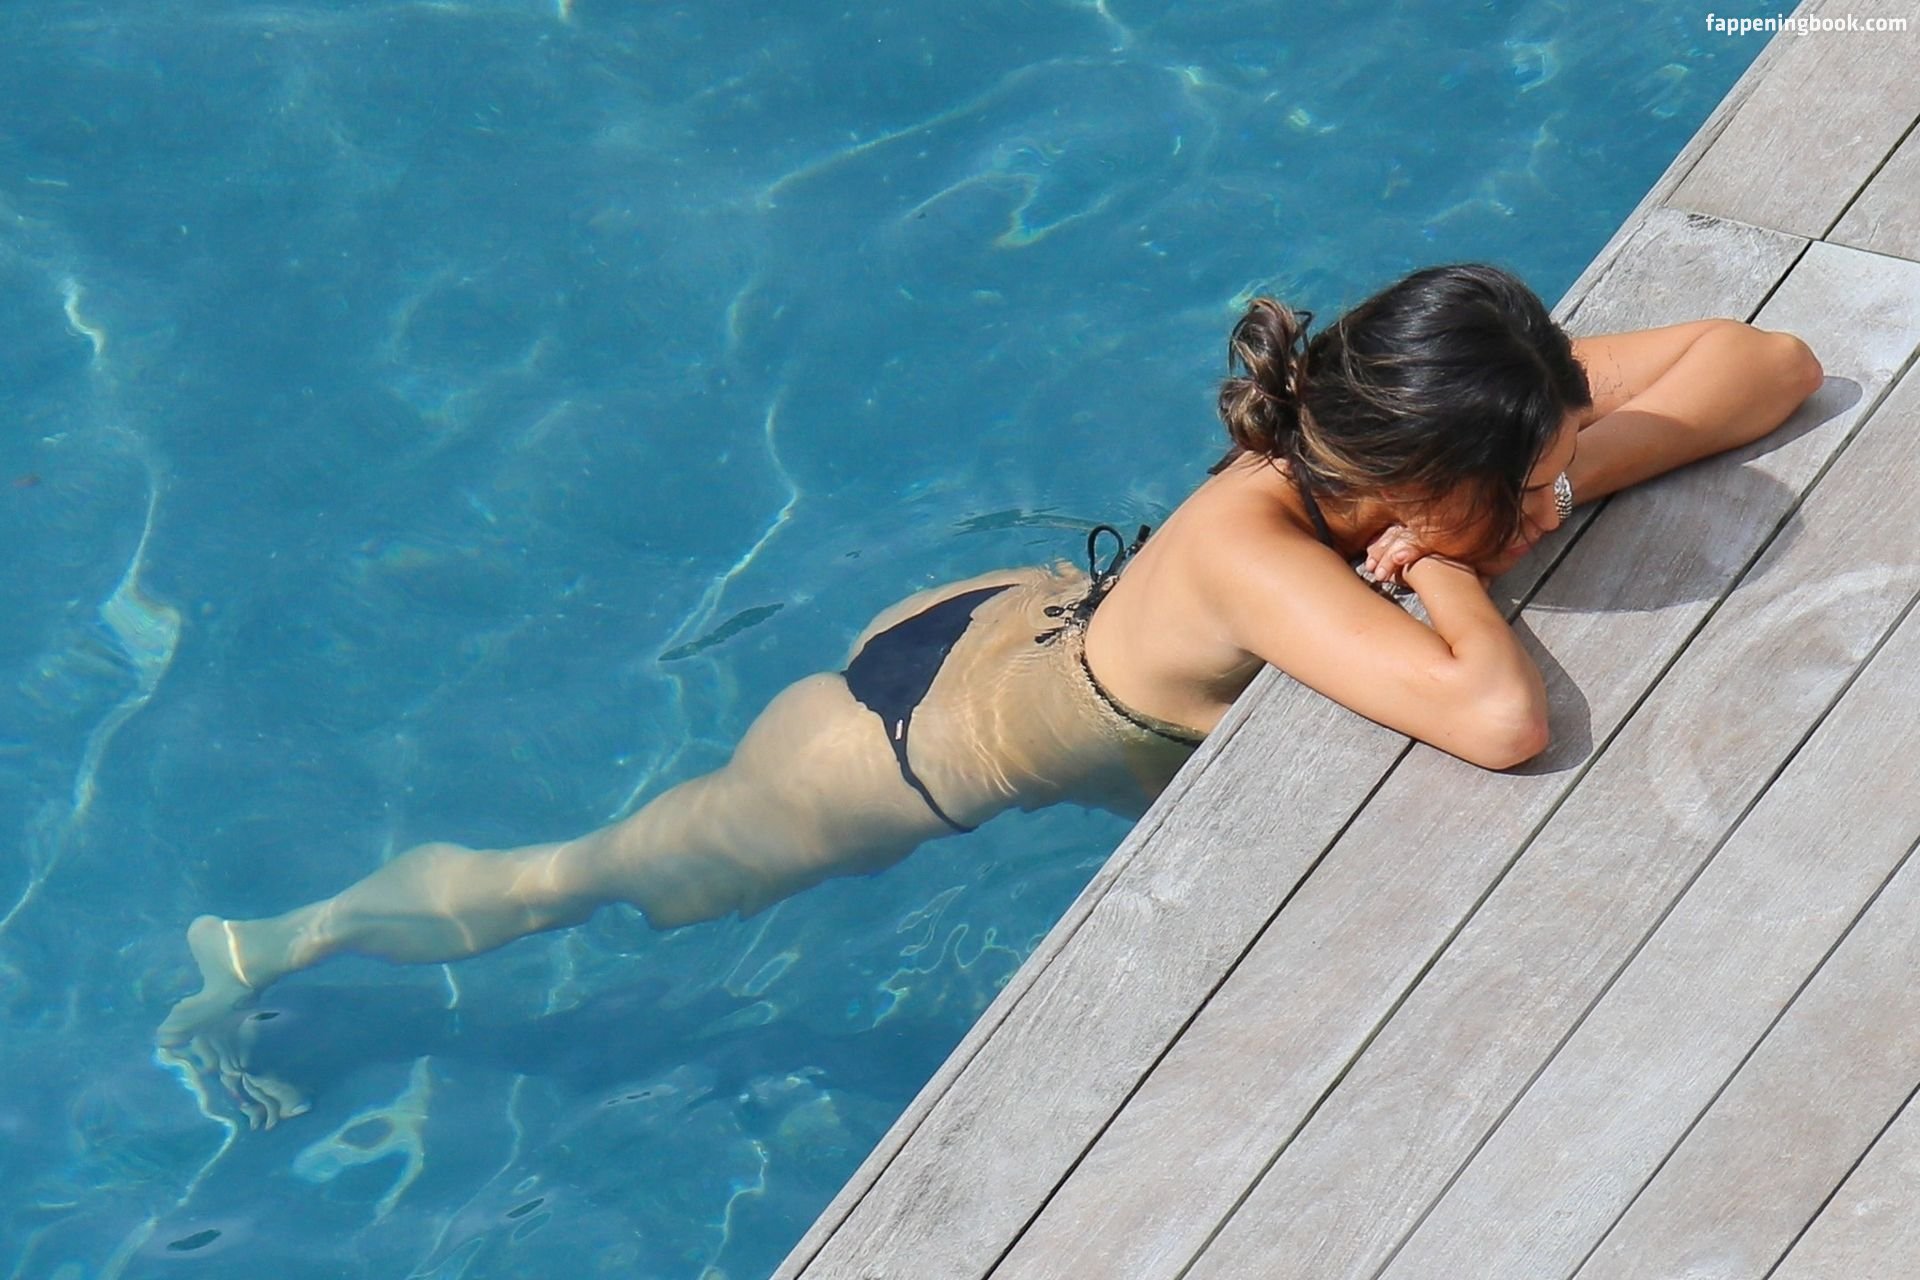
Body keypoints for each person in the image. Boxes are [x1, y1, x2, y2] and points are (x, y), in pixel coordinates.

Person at [157, 263, 1822, 1125]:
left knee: (603, 875)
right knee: (587, 879)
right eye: (1520, 479)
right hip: (899, 753)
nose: (1548, 494)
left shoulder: (1382, 425)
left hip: (1020, 626)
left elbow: (1773, 363)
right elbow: (1500, 720)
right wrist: (1458, 560)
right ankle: (266, 950)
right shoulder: (1267, 547)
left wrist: (1548, 479)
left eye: (1549, 463)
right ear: (1405, 491)